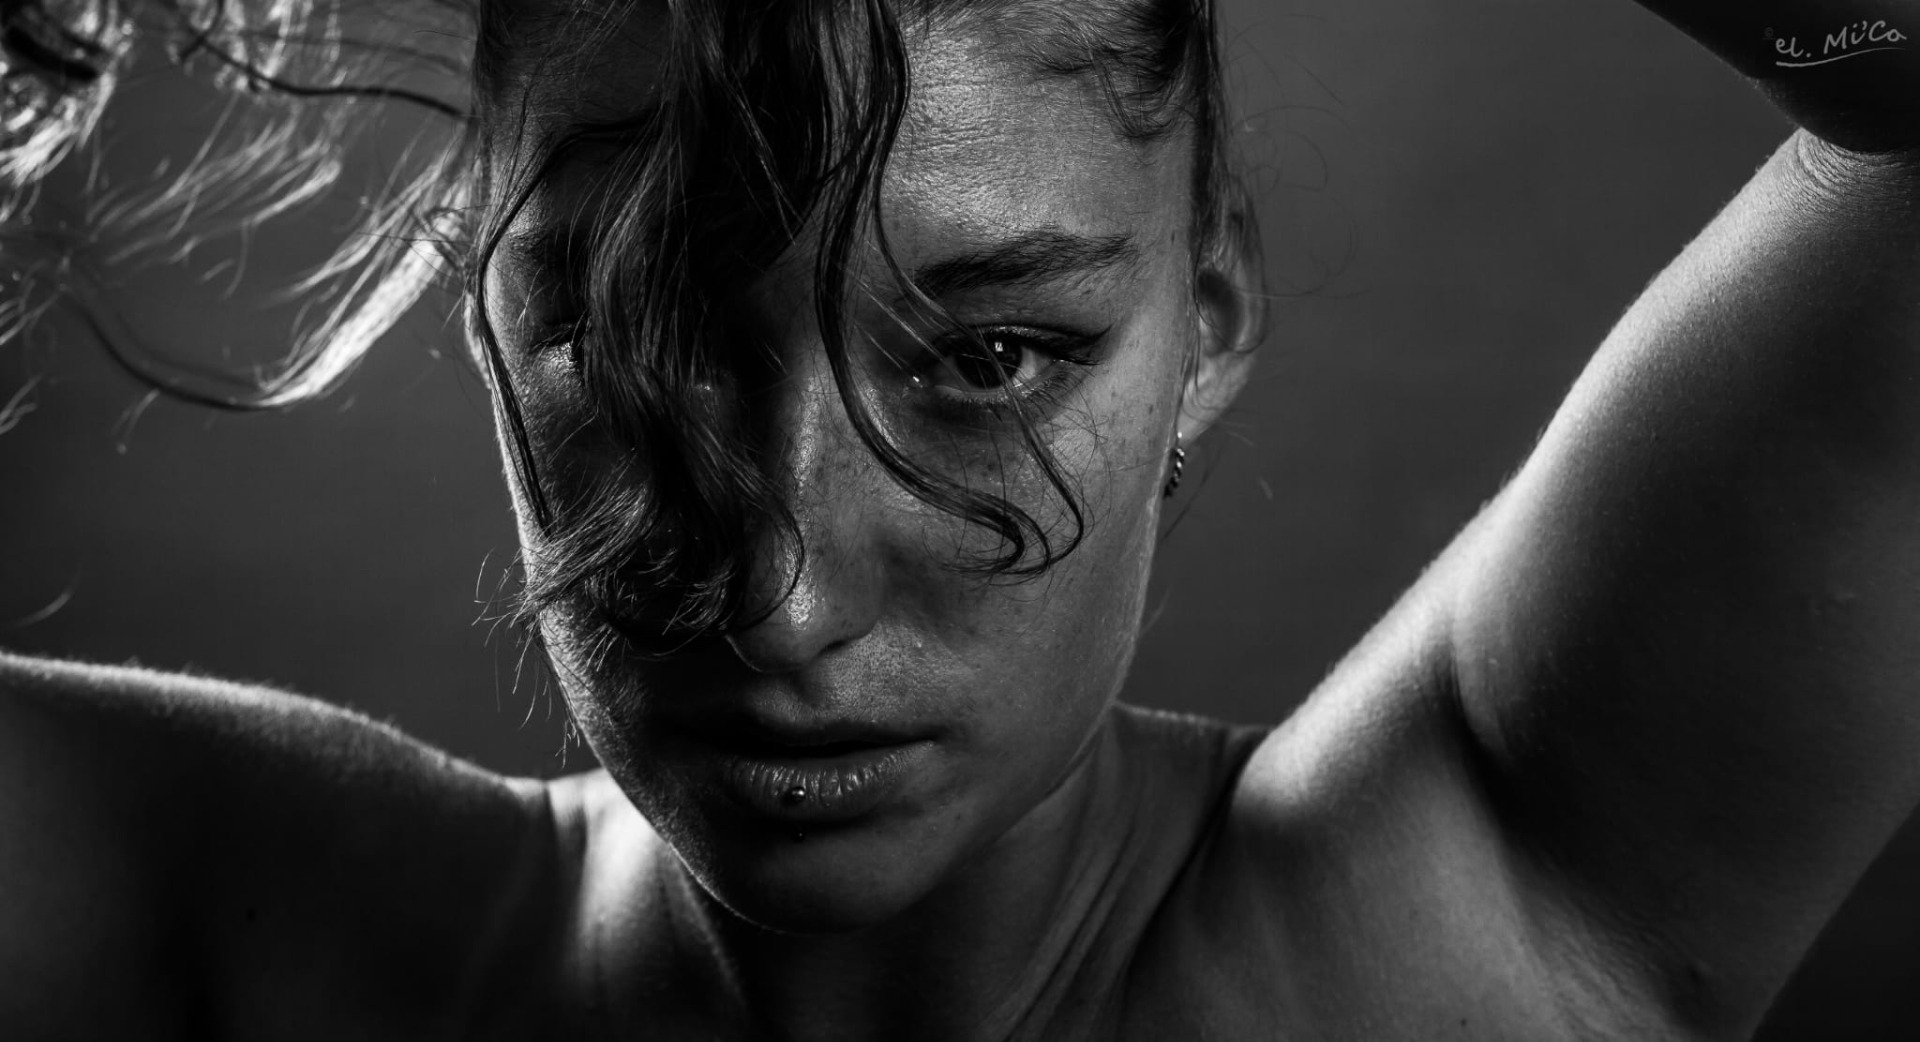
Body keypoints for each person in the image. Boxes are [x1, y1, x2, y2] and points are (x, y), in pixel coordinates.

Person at [3, 0, 1918, 1037]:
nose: (782, 596)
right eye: (637, 335)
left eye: (991, 355)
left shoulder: (1496, 916)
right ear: (477, 308)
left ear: (1209, 311)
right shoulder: (196, 921)